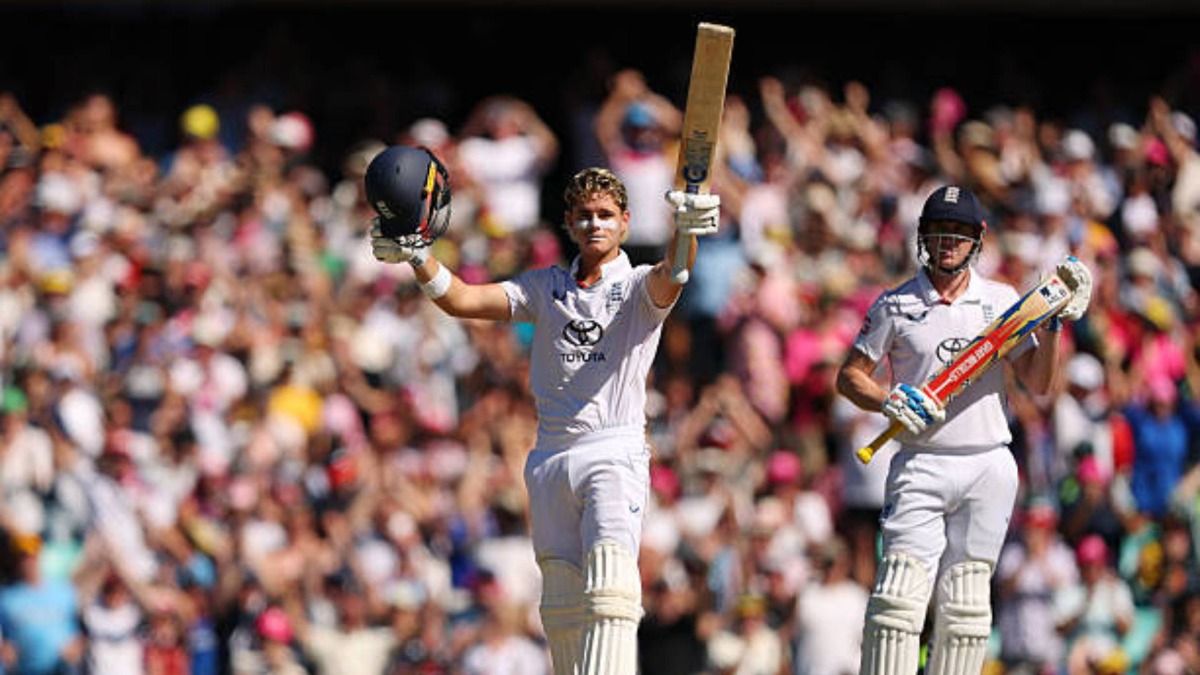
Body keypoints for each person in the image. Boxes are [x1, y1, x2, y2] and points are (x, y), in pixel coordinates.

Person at [365, 145, 720, 675]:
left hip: (612, 451)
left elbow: (672, 273)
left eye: (605, 215)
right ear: (569, 223)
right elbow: (461, 299)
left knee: (611, 593)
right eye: (584, 215)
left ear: (625, 222)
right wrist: (419, 257)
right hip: (550, 455)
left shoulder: (637, 287)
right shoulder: (545, 286)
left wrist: (685, 232)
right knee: (560, 606)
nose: (594, 223)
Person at [835, 185, 1093, 675]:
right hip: (921, 462)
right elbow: (848, 377)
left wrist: (1056, 325)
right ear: (922, 238)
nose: (947, 242)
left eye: (958, 233)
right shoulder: (896, 305)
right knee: (898, 601)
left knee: (967, 606)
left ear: (979, 238)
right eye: (937, 232)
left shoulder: (1001, 301)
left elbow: (1039, 383)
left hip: (987, 462)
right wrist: (889, 399)